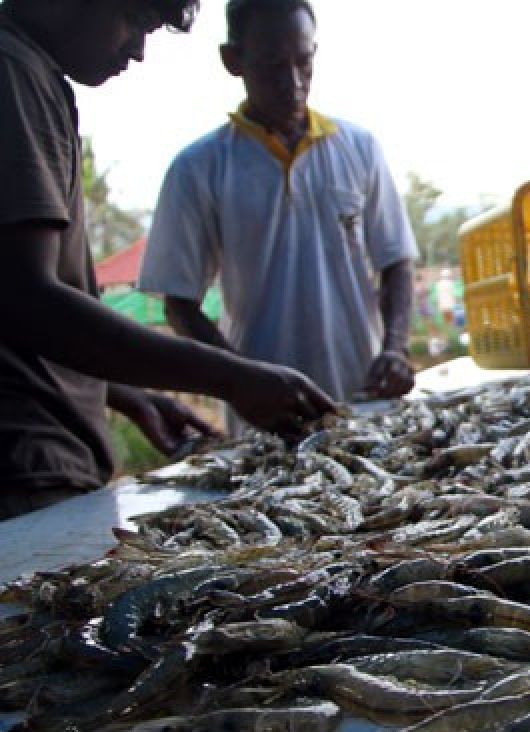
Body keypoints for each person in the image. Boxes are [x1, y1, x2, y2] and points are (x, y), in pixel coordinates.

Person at [0, 0, 335, 521]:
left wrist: (125, 394)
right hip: (25, 467)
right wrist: (231, 377)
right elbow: (26, 300)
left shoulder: (30, 71)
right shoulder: (12, 74)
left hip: (43, 457)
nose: (136, 49)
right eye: (134, 21)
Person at [138, 0, 419, 429]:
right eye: (272, 65)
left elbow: (396, 260)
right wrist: (241, 378)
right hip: (266, 421)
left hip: (365, 401)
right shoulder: (199, 168)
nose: (293, 83)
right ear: (233, 61)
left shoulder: (360, 148)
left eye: (304, 62)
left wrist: (396, 348)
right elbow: (180, 305)